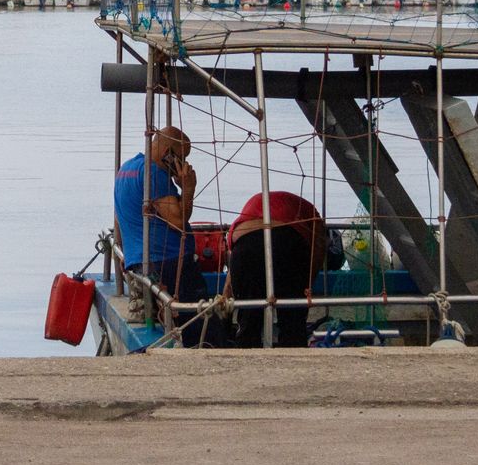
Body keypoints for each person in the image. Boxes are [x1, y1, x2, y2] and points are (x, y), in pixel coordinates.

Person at [114, 125, 221, 346]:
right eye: (181, 157)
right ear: (168, 154)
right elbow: (178, 221)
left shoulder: (127, 169)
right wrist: (188, 188)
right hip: (168, 262)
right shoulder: (155, 173)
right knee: (200, 319)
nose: (182, 164)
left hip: (141, 260)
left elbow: (118, 220)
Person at [227, 191, 328, 348]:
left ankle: (245, 355)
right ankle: (293, 355)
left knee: (248, 318)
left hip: (244, 245)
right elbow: (319, 245)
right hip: (286, 242)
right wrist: (308, 283)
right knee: (292, 318)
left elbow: (235, 258)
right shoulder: (312, 213)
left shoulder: (253, 204)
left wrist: (227, 292)